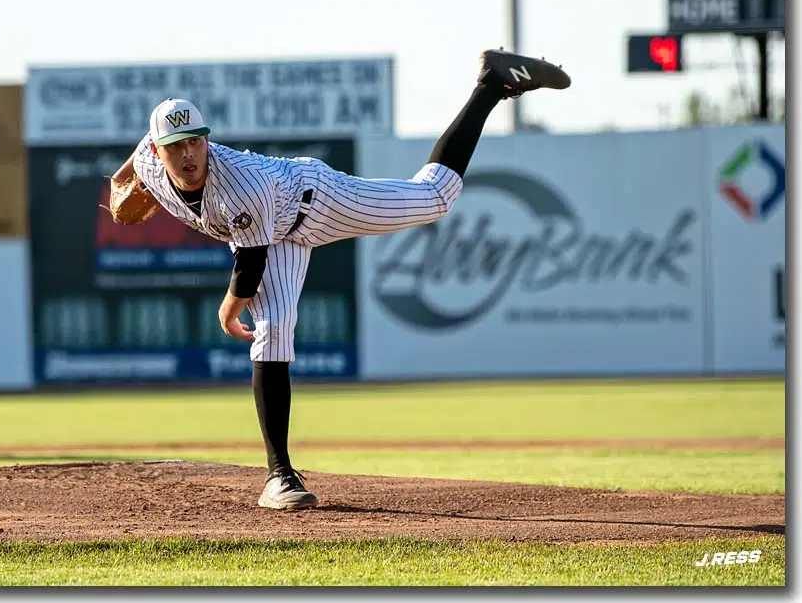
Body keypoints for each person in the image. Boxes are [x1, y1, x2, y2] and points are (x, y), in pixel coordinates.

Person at [110, 49, 571, 510]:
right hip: (275, 234)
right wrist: (120, 185)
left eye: (196, 141)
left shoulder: (239, 183)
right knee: (272, 333)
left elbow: (250, 263)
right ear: (157, 150)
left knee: (435, 198)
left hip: (314, 201)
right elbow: (130, 167)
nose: (188, 153)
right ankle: (280, 477)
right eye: (175, 145)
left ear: (207, 140)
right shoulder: (149, 162)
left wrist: (228, 310)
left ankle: (490, 85)